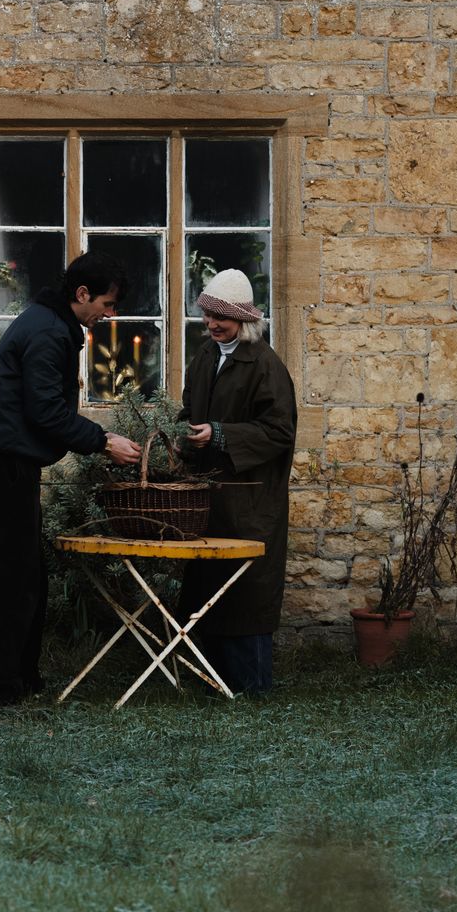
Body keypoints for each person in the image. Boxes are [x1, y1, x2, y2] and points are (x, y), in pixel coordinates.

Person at [0, 253, 143, 706]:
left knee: (26, 577)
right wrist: (104, 441)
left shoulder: (50, 323)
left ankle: (20, 678)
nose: (110, 312)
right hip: (3, 465)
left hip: (10, 464)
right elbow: (45, 413)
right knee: (10, 580)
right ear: (81, 295)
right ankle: (2, 689)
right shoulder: (47, 332)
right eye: (107, 302)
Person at [179, 268, 297, 695]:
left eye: (221, 317)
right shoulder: (204, 357)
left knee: (246, 592)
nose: (212, 324)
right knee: (208, 587)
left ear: (245, 320)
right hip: (208, 497)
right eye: (208, 315)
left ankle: (250, 687)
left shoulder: (266, 366)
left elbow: (280, 432)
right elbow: (188, 411)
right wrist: (181, 438)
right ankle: (207, 682)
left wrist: (223, 434)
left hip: (250, 503)